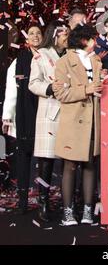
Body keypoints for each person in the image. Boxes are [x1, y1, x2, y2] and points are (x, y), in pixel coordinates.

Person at [53, 24, 103, 226]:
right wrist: (87, 89)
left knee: (90, 164)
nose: (96, 42)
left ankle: (88, 211)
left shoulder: (97, 60)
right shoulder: (64, 62)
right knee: (70, 166)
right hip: (73, 121)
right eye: (93, 39)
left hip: (93, 121)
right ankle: (68, 212)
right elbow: (60, 93)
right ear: (84, 40)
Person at [28, 21, 69, 222]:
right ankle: (43, 202)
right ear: (55, 35)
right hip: (50, 113)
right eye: (64, 34)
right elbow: (33, 83)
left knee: (68, 161)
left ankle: (65, 202)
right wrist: (50, 88)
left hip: (70, 112)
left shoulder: (72, 54)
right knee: (46, 162)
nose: (67, 37)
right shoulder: (42, 54)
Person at [2, 24, 43, 213]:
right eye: (31, 33)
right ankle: (23, 201)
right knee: (23, 157)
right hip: (24, 114)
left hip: (44, 114)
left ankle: (44, 201)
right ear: (26, 39)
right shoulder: (18, 61)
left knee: (45, 160)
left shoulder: (49, 58)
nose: (35, 36)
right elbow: (11, 91)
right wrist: (7, 117)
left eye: (38, 33)